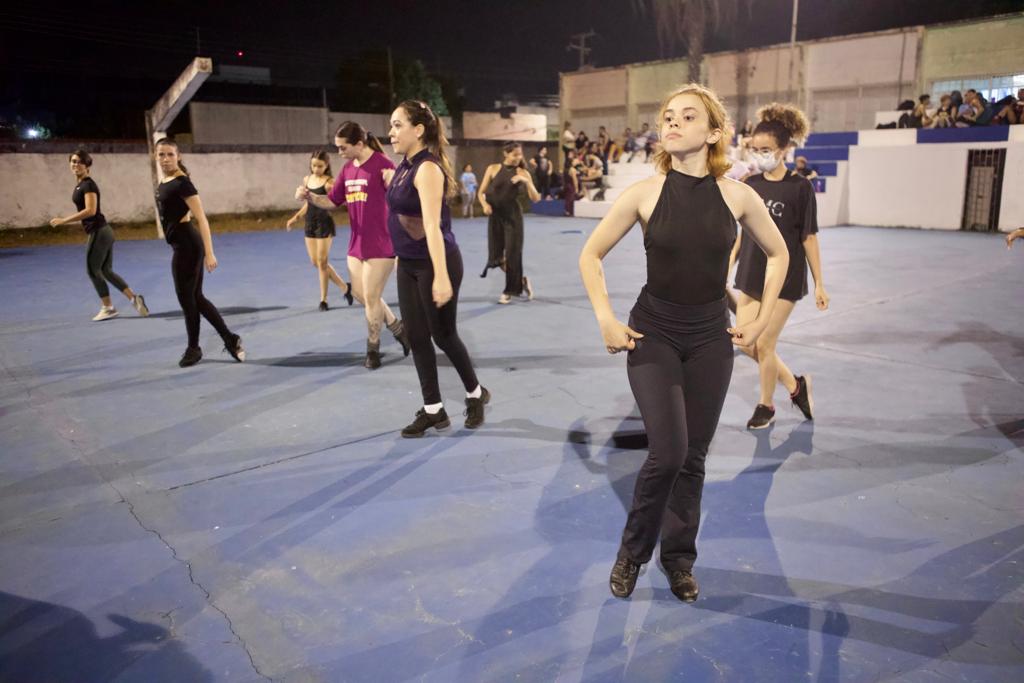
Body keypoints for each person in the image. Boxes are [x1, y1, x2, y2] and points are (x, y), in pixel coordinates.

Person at [579, 83, 789, 603]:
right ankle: (632, 553)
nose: (671, 122)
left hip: (709, 340)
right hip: (653, 334)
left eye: (687, 116)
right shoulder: (644, 193)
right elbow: (590, 255)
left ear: (714, 132)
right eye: (668, 115)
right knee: (668, 452)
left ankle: (679, 560)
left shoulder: (738, 196)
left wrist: (760, 324)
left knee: (693, 456)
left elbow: (781, 255)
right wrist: (605, 317)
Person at [384, 100, 489, 437]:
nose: (391, 132)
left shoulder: (427, 169)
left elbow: (432, 226)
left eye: (398, 125)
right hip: (409, 263)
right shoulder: (403, 165)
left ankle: (475, 393)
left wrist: (441, 277)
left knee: (443, 335)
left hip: (435, 263)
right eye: (391, 125)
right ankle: (434, 409)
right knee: (416, 337)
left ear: (418, 130)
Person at [730, 103, 829, 430]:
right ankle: (796, 386)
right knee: (746, 343)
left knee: (766, 344)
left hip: (785, 278)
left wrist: (819, 283)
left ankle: (766, 405)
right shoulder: (751, 185)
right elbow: (743, 234)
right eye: (755, 149)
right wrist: (727, 265)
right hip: (750, 273)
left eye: (767, 150)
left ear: (785, 150)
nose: (760, 155)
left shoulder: (800, 187)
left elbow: (808, 238)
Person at [303, 121, 410, 369]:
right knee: (361, 295)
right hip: (356, 246)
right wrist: (309, 196)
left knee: (372, 298)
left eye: (342, 147)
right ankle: (397, 326)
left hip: (382, 246)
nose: (338, 152)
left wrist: (395, 183)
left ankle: (372, 349)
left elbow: (402, 203)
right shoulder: (348, 169)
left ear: (359, 144)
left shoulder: (384, 165)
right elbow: (332, 201)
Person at [153, 138, 245, 368]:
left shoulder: (183, 183)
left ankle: (194, 348)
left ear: (179, 156)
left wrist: (209, 253)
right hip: (180, 245)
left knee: (188, 299)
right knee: (196, 298)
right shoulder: (164, 181)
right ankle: (229, 339)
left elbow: (202, 219)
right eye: (161, 155)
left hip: (188, 247)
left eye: (170, 155)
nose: (165, 159)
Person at [50, 149, 149, 321]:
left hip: (99, 232)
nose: (76, 164)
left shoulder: (88, 184)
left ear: (87, 166)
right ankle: (134, 299)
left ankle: (108, 307)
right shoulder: (81, 184)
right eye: (73, 161)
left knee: (92, 270)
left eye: (80, 162)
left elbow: (90, 210)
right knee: (106, 270)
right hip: (103, 231)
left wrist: (63, 220)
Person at [286, 150, 354, 311]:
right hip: (310, 223)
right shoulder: (306, 179)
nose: (316, 168)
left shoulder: (329, 182)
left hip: (324, 223)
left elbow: (337, 201)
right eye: (314, 165)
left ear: (326, 165)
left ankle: (323, 300)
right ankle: (345, 287)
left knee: (322, 262)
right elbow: (308, 203)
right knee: (314, 262)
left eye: (320, 166)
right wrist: (295, 217)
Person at [478, 142, 542, 303]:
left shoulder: (522, 172)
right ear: (505, 154)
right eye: (515, 154)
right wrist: (485, 205)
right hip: (495, 218)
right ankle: (521, 281)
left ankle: (509, 291)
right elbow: (481, 192)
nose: (518, 158)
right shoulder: (492, 169)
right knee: (496, 257)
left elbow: (536, 198)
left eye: (520, 154)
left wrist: (526, 181)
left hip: (513, 218)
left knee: (513, 255)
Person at [563, 149, 581, 217]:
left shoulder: (568, 169)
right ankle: (569, 211)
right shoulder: (572, 169)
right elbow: (575, 180)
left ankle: (567, 210)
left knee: (568, 198)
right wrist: (576, 188)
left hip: (567, 184)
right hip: (571, 185)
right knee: (570, 198)